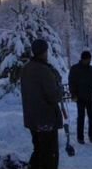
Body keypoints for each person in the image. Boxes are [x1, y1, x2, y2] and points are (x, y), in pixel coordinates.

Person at [20, 39, 63, 169]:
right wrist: (59, 89)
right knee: (49, 155)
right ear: (44, 52)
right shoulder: (44, 70)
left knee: (38, 150)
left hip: (32, 119)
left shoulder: (26, 69)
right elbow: (53, 96)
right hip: (46, 120)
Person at [68, 50, 92, 144]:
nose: (90, 61)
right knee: (81, 117)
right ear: (84, 59)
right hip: (80, 98)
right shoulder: (75, 69)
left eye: (90, 59)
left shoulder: (91, 69)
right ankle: (80, 138)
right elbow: (71, 83)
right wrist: (73, 94)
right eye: (88, 59)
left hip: (90, 96)